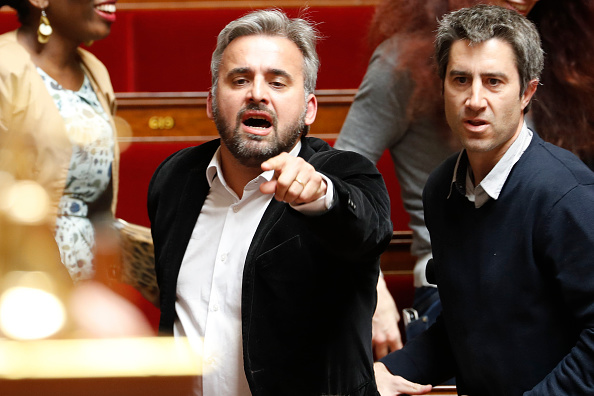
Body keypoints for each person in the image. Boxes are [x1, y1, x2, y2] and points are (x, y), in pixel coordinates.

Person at [147, 9, 393, 396]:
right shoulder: (174, 178)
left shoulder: (346, 174)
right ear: (211, 102)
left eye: (278, 83)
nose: (257, 93)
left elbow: (367, 230)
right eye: (239, 79)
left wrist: (320, 197)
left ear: (308, 108)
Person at [334, 0, 594, 355]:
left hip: (550, 283)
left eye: (494, 82)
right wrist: (368, 287)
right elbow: (337, 181)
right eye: (460, 80)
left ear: (528, 90)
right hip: (452, 291)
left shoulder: (571, 57)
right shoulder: (402, 63)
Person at [0, 0, 157, 318]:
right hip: (28, 280)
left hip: (92, 277)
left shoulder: (94, 70)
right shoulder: (5, 67)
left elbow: (99, 196)